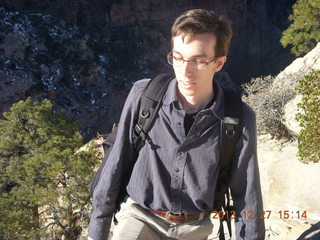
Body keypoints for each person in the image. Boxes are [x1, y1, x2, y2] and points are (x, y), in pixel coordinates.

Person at [88, 9, 265, 240]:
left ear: (219, 63)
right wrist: (97, 232)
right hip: (140, 216)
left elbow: (247, 193)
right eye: (178, 58)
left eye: (199, 61)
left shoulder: (238, 118)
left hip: (196, 227)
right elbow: (115, 164)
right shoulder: (144, 96)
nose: (185, 70)